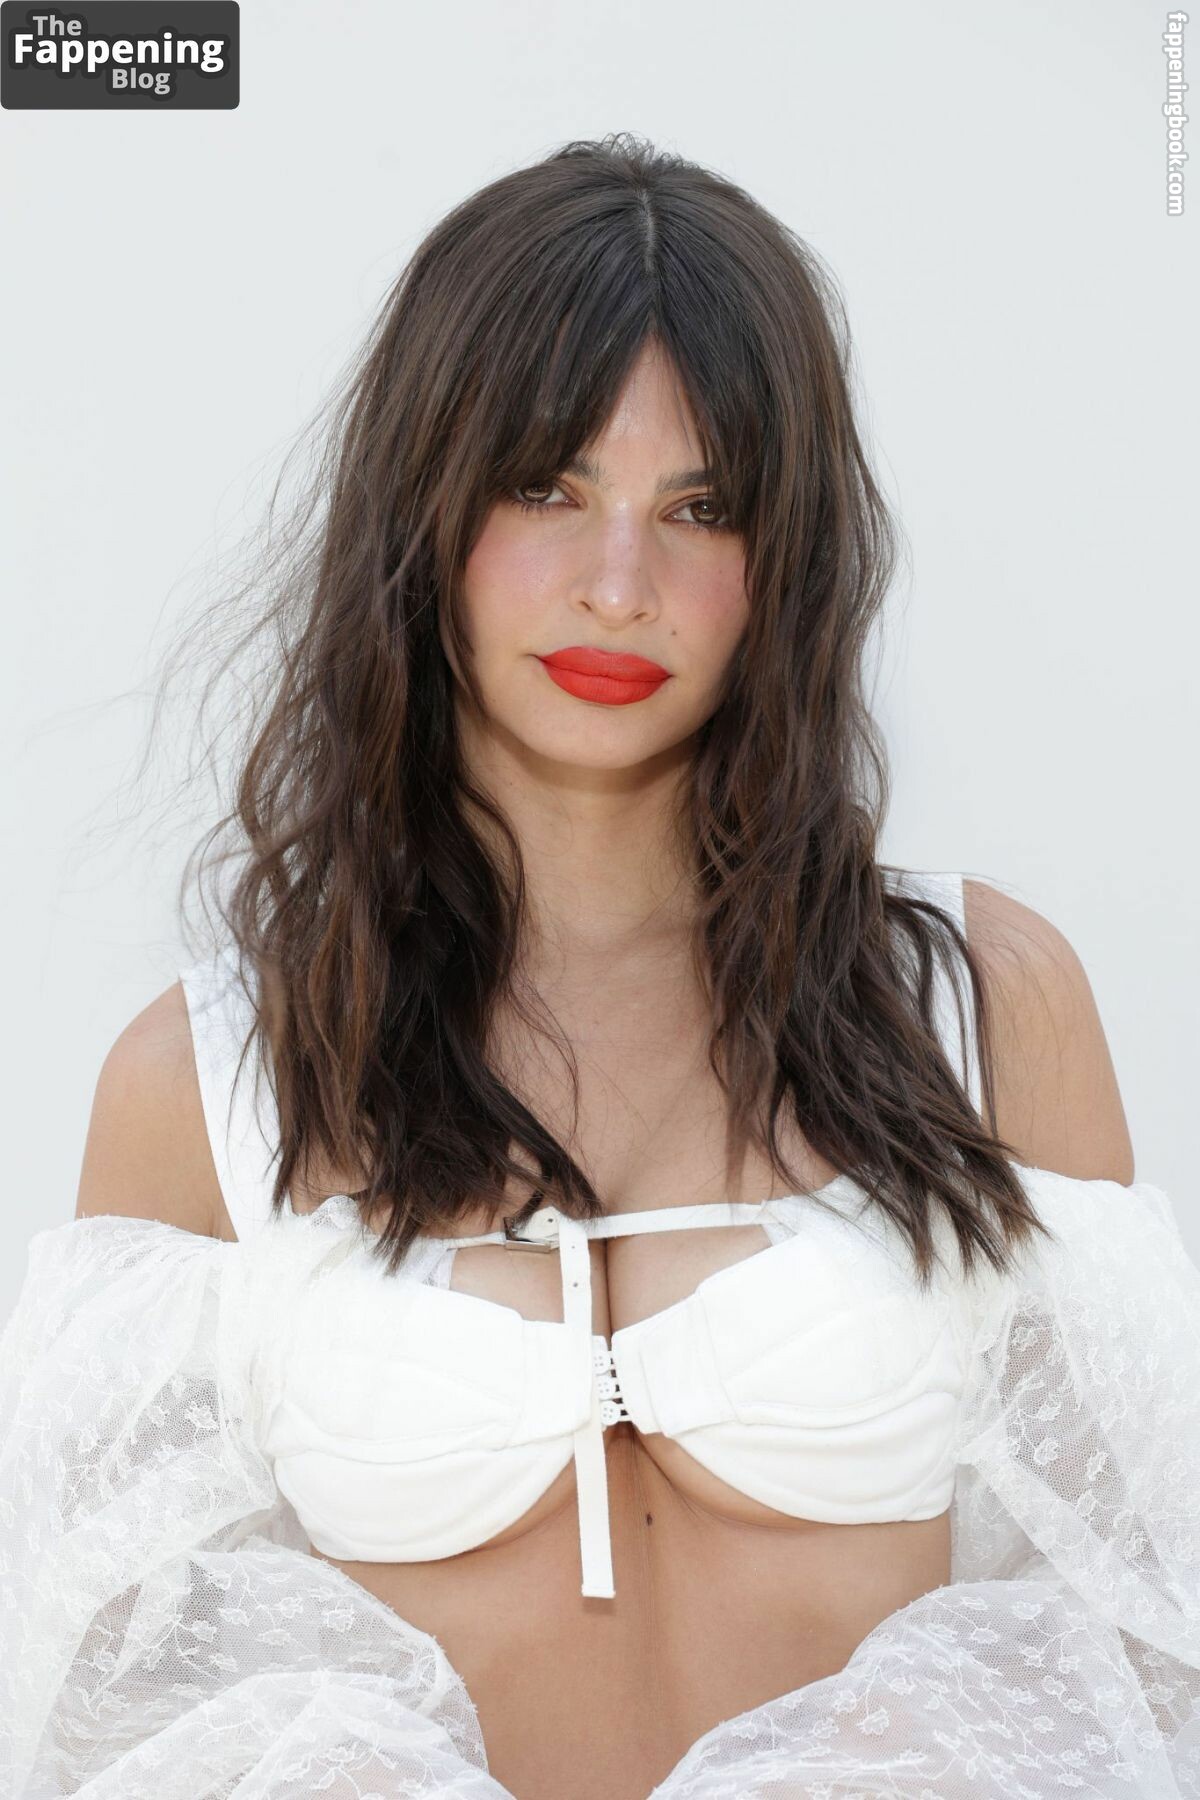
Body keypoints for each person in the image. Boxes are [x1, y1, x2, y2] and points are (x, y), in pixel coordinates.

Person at [2, 133, 1198, 1799]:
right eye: (546, 488)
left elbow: (1144, 1644)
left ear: (788, 564)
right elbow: (102, 1708)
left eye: (701, 510)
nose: (619, 586)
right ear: (423, 508)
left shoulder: (983, 1011)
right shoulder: (209, 1082)